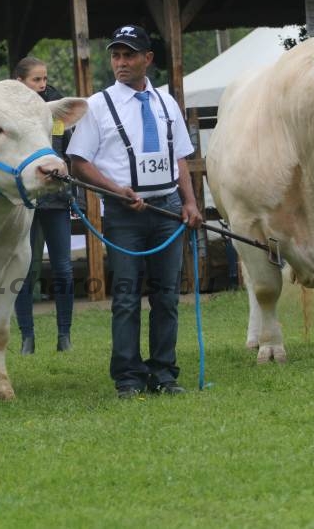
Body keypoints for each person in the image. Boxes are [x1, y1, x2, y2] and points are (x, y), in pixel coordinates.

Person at [67, 25, 202, 398]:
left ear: (148, 59)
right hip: (124, 213)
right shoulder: (98, 105)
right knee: (126, 296)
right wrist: (116, 191)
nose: (121, 63)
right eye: (116, 55)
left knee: (167, 295)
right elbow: (78, 160)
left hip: (168, 210)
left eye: (129, 55)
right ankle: (128, 377)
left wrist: (190, 202)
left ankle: (163, 373)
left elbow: (181, 158)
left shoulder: (166, 102)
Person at [12, 57, 75, 354]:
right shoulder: (8, 111)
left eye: (44, 79)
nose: (42, 84)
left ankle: (65, 335)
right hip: (23, 201)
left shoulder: (57, 107)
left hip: (57, 200)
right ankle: (27, 336)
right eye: (36, 80)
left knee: (63, 267)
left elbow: (68, 151)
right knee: (25, 269)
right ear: (20, 81)